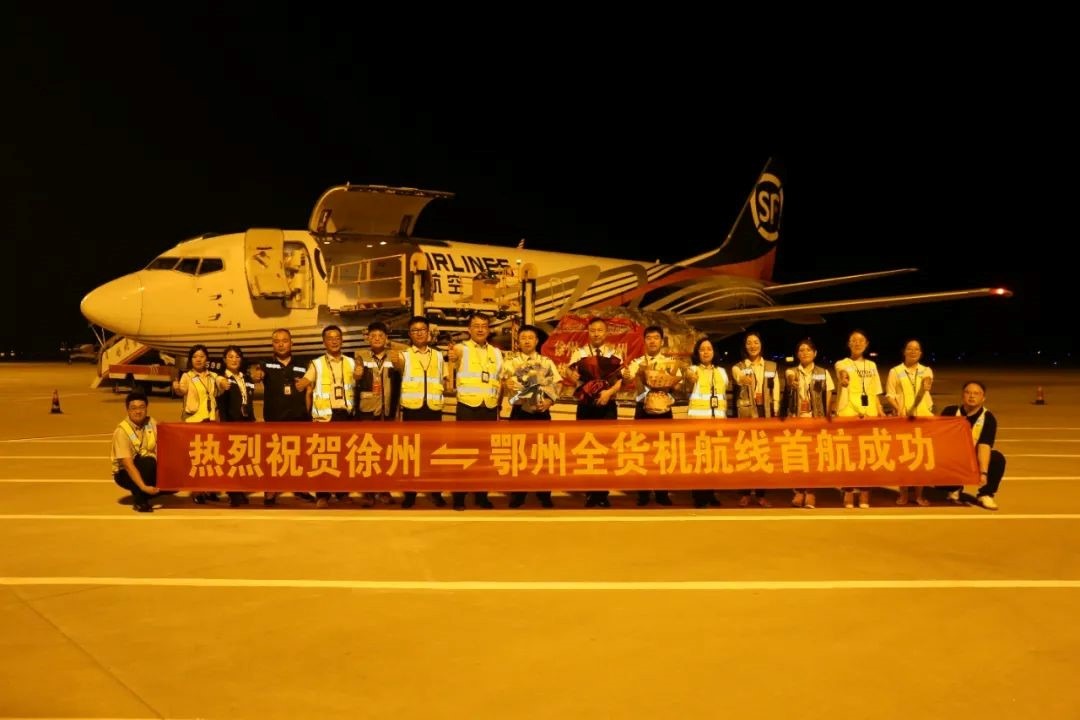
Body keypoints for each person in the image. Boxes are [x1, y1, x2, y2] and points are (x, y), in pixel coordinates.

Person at [564, 316, 623, 508]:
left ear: (606, 333)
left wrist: (608, 393)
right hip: (586, 404)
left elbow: (619, 380)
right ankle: (590, 493)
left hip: (607, 404)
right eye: (593, 330)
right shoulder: (579, 353)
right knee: (587, 448)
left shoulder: (614, 353)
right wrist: (572, 375)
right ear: (588, 333)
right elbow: (570, 374)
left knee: (606, 450)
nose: (596, 333)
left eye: (600, 330)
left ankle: (603, 493)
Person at [251, 328, 314, 506]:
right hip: (275, 418)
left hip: (299, 418)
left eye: (284, 341)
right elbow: (256, 374)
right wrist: (256, 375)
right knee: (273, 457)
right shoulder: (265, 364)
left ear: (291, 343)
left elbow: (309, 390)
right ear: (272, 344)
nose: (281, 344)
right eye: (277, 341)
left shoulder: (303, 364)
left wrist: (308, 412)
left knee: (299, 456)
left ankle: (301, 488)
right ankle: (271, 490)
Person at [502, 324, 561, 508]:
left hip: (541, 412)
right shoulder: (511, 362)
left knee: (543, 454)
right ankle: (518, 494)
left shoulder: (546, 362)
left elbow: (558, 384)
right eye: (523, 338)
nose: (527, 341)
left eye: (530, 338)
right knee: (519, 453)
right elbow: (502, 383)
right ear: (518, 341)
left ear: (536, 341)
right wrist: (506, 385)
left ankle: (544, 493)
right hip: (519, 412)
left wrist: (550, 401)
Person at [297, 325, 357, 508]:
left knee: (343, 458)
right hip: (324, 417)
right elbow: (306, 381)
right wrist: (302, 383)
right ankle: (322, 495)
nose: (334, 341)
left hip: (345, 415)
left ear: (342, 340)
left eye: (337, 337)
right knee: (323, 457)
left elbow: (358, 381)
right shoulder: (317, 363)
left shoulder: (351, 362)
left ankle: (341, 493)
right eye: (330, 338)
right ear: (324, 342)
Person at [447, 312, 503, 510]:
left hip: (489, 408)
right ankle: (459, 497)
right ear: (469, 329)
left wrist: (499, 405)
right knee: (465, 454)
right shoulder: (461, 349)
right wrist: (452, 356)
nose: (480, 329)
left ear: (489, 330)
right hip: (468, 408)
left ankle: (482, 495)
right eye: (476, 326)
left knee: (485, 455)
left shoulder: (496, 353)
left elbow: (499, 380)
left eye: (484, 326)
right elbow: (453, 358)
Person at [623, 325, 680, 506]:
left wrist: (673, 382)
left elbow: (678, 386)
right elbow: (627, 380)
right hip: (642, 409)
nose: (652, 341)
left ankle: (662, 493)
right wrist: (627, 376)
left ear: (662, 341)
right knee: (642, 452)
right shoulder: (637, 362)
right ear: (644, 341)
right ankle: (643, 493)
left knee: (663, 452)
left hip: (664, 411)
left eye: (656, 338)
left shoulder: (670, 363)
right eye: (649, 338)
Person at [396, 316, 447, 509]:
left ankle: (436, 493)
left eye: (422, 329)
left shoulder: (438, 356)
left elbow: (444, 380)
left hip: (433, 409)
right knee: (412, 454)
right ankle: (410, 494)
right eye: (415, 330)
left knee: (434, 454)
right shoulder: (403, 356)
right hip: (412, 410)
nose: (419, 333)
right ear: (410, 334)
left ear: (428, 332)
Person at [353, 321, 402, 506]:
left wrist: (394, 350)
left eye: (381, 336)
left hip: (388, 411)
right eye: (373, 336)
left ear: (386, 338)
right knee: (368, 453)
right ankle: (368, 492)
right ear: (367, 338)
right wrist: (357, 375)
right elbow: (356, 376)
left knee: (386, 453)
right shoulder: (360, 355)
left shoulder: (395, 355)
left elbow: (402, 366)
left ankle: (384, 490)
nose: (377, 339)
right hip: (367, 410)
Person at [783, 339, 835, 509]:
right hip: (796, 420)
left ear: (815, 353)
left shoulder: (823, 372)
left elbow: (828, 396)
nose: (805, 353)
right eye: (801, 350)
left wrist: (825, 418)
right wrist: (792, 382)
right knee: (798, 457)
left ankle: (811, 493)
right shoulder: (791, 372)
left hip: (815, 420)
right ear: (797, 354)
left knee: (813, 459)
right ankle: (798, 491)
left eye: (808, 350)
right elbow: (789, 379)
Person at [730, 331, 779, 507]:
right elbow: (738, 377)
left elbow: (775, 391)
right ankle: (744, 493)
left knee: (763, 454)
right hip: (746, 413)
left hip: (765, 412)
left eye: (756, 342)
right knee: (746, 453)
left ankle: (760, 494)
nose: (753, 345)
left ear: (761, 344)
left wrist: (775, 412)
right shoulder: (738, 366)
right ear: (745, 346)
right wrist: (743, 378)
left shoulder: (771, 366)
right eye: (749, 342)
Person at [941, 381, 1005, 511]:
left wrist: (983, 473)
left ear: (983, 398)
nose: (971, 396)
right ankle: (953, 488)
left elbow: (984, 446)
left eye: (976, 393)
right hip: (951, 459)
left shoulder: (988, 418)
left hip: (972, 459)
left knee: (997, 459)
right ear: (962, 395)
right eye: (968, 392)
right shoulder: (950, 411)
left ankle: (985, 494)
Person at [885, 339, 934, 506]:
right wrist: (898, 408)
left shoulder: (926, 370)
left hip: (923, 419)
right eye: (910, 349)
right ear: (904, 351)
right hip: (903, 420)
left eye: (917, 349)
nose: (913, 351)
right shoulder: (895, 371)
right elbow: (890, 394)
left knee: (922, 458)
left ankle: (919, 495)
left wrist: (926, 385)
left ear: (921, 353)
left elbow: (926, 388)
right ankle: (903, 494)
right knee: (904, 458)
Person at [172, 344, 222, 504]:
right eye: (195, 357)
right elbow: (181, 391)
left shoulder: (213, 376)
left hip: (210, 420)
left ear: (207, 358)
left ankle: (210, 489)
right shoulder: (187, 376)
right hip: (193, 422)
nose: (198, 359)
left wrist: (224, 382)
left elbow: (220, 385)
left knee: (211, 458)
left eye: (201, 356)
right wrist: (177, 388)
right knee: (197, 459)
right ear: (191, 360)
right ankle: (197, 490)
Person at [682, 337, 728, 508]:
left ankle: (711, 493)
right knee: (699, 460)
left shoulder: (722, 372)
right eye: (702, 349)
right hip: (698, 422)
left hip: (717, 422)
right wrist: (689, 377)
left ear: (714, 352)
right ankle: (699, 495)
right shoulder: (693, 370)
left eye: (709, 349)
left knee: (714, 460)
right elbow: (687, 380)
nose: (706, 352)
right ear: (697, 353)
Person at [216, 345, 256, 507]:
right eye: (230, 357)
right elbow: (219, 389)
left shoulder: (246, 378)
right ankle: (233, 493)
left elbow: (249, 400)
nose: (234, 360)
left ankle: (240, 490)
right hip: (230, 424)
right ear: (224, 360)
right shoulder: (221, 378)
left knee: (243, 460)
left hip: (246, 423)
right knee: (232, 460)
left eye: (237, 357)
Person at [111, 391, 159, 513]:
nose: (138, 411)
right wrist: (143, 487)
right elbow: (128, 465)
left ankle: (147, 491)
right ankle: (140, 499)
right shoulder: (122, 431)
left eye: (141, 407)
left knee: (172, 485)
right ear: (127, 410)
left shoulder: (151, 422)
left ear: (146, 408)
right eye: (134, 408)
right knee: (149, 463)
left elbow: (160, 446)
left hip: (147, 465)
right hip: (125, 473)